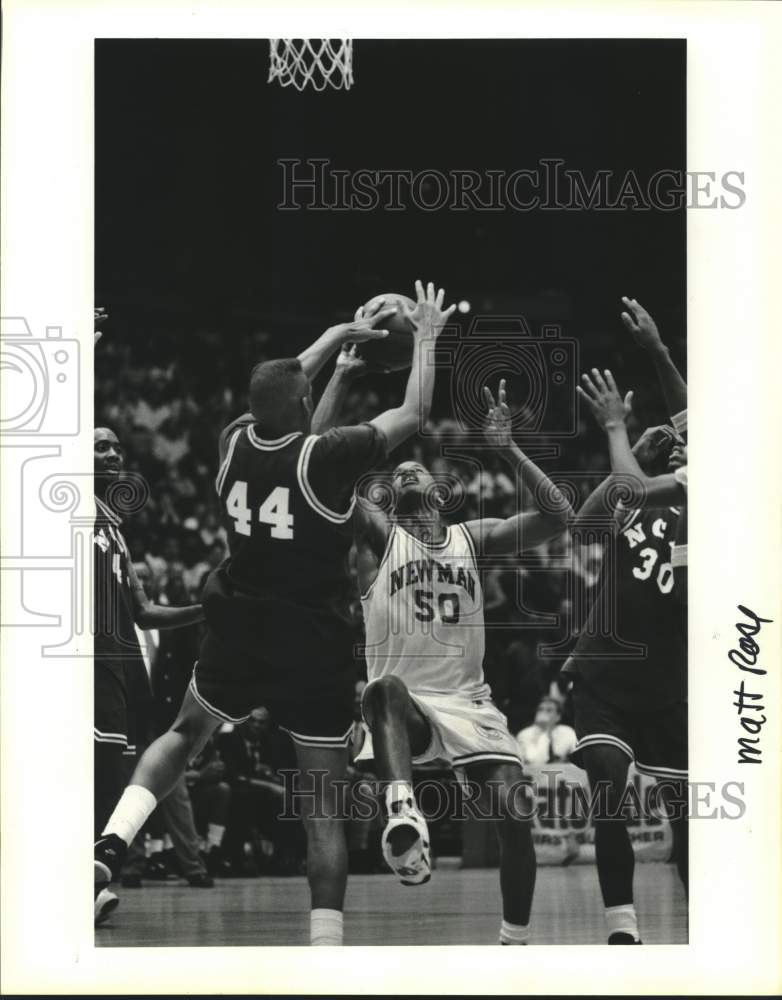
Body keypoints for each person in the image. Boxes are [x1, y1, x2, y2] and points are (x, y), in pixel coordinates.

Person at [95, 281, 456, 946]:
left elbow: (286, 385)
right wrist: (427, 336)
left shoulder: (232, 443)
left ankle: (111, 845)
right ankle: (325, 943)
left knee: (181, 735)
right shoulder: (329, 456)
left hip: (240, 627)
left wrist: (339, 341)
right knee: (321, 808)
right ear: (304, 402)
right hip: (312, 640)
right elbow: (415, 410)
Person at [351, 378, 572, 946]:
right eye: (393, 472)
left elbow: (557, 516)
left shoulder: (469, 539)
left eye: (415, 469)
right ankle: (403, 816)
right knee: (382, 689)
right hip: (407, 708)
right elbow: (318, 477)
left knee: (516, 814)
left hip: (470, 703)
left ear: (438, 489)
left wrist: (510, 449)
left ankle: (513, 942)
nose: (404, 472)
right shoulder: (377, 541)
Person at [561, 421, 688, 944]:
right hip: (603, 674)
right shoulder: (635, 503)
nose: (678, 445)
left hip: (671, 682)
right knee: (608, 797)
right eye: (676, 442)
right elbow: (582, 524)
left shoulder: (712, 512)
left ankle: (710, 932)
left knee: (688, 820)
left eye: (686, 443)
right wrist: (632, 450)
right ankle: (623, 929)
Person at [93, 427, 205, 923]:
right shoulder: (68, 506)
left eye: (117, 446)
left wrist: (207, 610)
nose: (113, 454)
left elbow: (142, 610)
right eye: (100, 446)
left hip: (120, 662)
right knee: (93, 774)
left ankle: (89, 878)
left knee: (111, 777)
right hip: (87, 656)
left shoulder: (114, 527)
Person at [516, 697, 576, 766]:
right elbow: (533, 760)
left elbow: (575, 758)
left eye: (549, 710)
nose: (543, 713)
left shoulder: (568, 732)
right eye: (540, 710)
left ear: (558, 717)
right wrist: (544, 734)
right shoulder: (524, 734)